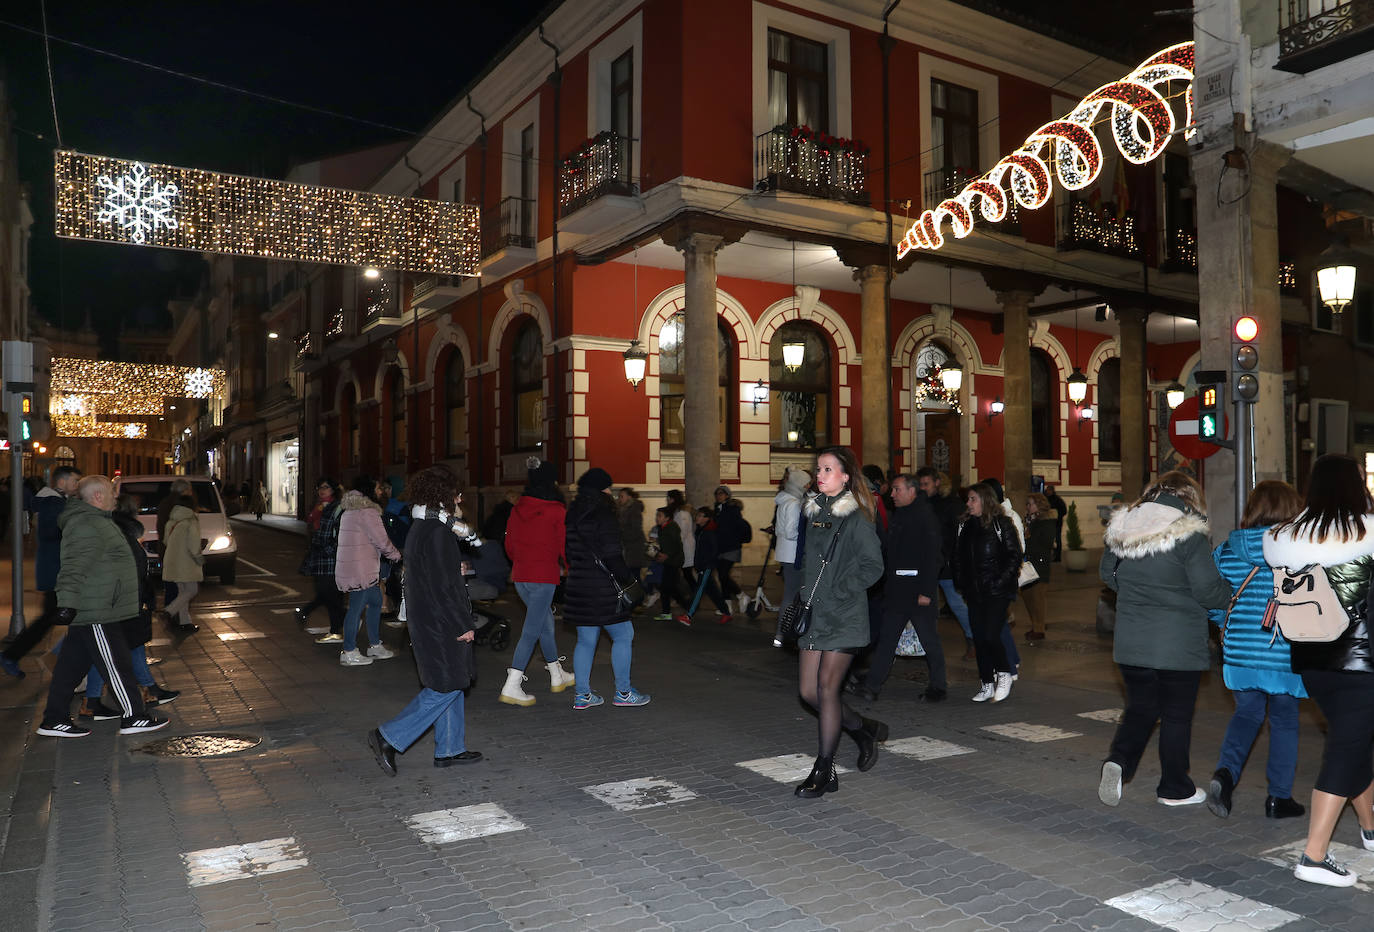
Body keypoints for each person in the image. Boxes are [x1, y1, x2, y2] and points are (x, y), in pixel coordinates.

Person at [1263, 454, 1374, 886]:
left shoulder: (1282, 537)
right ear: (1356, 484)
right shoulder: (1367, 530)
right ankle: (1313, 856)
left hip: (1311, 660)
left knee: (1356, 742)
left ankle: (1369, 829)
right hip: (1362, 662)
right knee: (1347, 748)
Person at [1098, 471, 1231, 808]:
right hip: (1178, 644)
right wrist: (1229, 595)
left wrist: (1133, 595)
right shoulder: (1189, 533)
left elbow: (1107, 574)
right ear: (1189, 497)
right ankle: (1174, 788)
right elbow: (1206, 589)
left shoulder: (1123, 526)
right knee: (1175, 716)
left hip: (1131, 641)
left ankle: (1118, 761)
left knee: (1141, 708)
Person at [368, 465, 482, 775]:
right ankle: (388, 736)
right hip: (440, 621)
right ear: (445, 496)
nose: (459, 498)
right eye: (456, 492)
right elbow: (444, 587)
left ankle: (449, 748)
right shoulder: (438, 532)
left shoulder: (423, 527)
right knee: (446, 685)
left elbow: (432, 575)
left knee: (452, 681)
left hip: (426, 617)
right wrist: (463, 625)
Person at [1205, 480, 1307, 821]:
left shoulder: (1227, 549)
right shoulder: (1303, 551)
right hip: (1285, 650)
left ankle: (1225, 775)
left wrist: (1223, 621)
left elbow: (1211, 596)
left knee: (1246, 715)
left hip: (1239, 652)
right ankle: (1279, 799)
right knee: (1284, 721)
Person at [36, 476, 168, 738]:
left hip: (99, 606)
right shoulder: (87, 524)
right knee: (117, 663)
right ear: (97, 497)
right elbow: (73, 567)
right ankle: (134, 716)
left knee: (70, 667)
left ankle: (54, 719)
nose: (114, 498)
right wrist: (67, 603)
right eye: (110, 493)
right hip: (96, 608)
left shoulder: (97, 521)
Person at [792, 446, 886, 799]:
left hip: (844, 615)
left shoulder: (857, 516)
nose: (820, 475)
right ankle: (862, 728)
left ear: (846, 476)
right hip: (815, 615)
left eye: (827, 469)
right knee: (807, 692)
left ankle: (824, 769)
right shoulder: (815, 511)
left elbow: (873, 566)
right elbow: (809, 565)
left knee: (827, 690)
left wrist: (840, 588)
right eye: (818, 469)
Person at [81, 494, 180, 717]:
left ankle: (97, 700)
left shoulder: (116, 531)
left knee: (121, 649)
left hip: (118, 602)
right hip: (119, 603)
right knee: (108, 654)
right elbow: (128, 571)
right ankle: (133, 711)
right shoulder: (119, 534)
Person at [853, 473, 944, 702]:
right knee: (887, 640)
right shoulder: (900, 515)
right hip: (897, 591)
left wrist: (925, 591)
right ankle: (872, 687)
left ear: (911, 491)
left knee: (928, 640)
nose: (892, 494)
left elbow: (933, 556)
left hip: (916, 592)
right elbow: (889, 549)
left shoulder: (925, 517)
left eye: (897, 490)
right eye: (892, 490)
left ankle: (938, 687)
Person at [565, 468, 650, 709]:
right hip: (603, 587)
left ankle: (583, 695)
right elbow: (612, 554)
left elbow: (569, 552)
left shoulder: (572, 513)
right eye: (608, 488)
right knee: (624, 636)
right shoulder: (604, 513)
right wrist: (630, 581)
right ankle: (623, 693)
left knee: (585, 640)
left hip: (579, 585)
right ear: (602, 489)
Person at [501, 459, 575, 705]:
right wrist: (571, 567)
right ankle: (512, 683)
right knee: (531, 630)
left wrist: (522, 560)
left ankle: (557, 675)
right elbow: (566, 546)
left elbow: (509, 546)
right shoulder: (557, 510)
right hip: (543, 577)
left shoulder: (517, 508)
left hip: (521, 576)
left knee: (545, 626)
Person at [1, 466, 82, 679]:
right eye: (75, 481)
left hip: (56, 570)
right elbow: (51, 534)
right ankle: (19, 656)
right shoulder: (53, 503)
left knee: (54, 619)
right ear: (62, 482)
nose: (77, 485)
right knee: (61, 618)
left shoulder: (55, 502)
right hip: (56, 571)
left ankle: (21, 656)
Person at [953, 483, 1023, 703]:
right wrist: (962, 583)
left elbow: (1014, 555)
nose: (968, 503)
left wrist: (1000, 582)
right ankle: (986, 683)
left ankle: (1004, 673)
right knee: (980, 637)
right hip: (974, 591)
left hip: (997, 590)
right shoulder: (965, 525)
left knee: (992, 633)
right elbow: (958, 557)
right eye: (968, 499)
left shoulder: (1002, 524)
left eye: (972, 499)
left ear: (985, 500)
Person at [334, 485, 401, 667]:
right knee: (356, 609)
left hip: (356, 566)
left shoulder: (348, 511)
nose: (381, 490)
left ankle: (375, 645)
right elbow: (381, 540)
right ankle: (349, 651)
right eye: (378, 487)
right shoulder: (367, 512)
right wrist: (396, 555)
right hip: (361, 569)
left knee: (376, 601)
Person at [917, 467, 976, 661]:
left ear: (937, 483)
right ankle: (926, 645)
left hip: (947, 563)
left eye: (926, 484)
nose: (923, 488)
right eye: (920, 484)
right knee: (927, 606)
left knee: (956, 603)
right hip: (926, 563)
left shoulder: (952, 504)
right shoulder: (921, 503)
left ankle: (973, 640)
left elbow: (960, 534)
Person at [300, 480, 346, 642]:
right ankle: (339, 625)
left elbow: (339, 532)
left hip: (330, 557)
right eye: (319, 487)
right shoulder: (319, 506)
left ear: (333, 489)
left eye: (326, 487)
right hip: (319, 555)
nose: (322, 490)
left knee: (328, 592)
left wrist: (328, 550)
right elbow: (310, 522)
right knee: (328, 592)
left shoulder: (337, 507)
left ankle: (338, 626)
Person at [771, 467, 811, 647]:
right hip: (793, 553)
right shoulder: (794, 503)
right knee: (791, 595)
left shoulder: (784, 501)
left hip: (784, 552)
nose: (809, 486)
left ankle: (782, 633)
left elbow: (779, 529)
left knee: (790, 593)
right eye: (807, 483)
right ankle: (783, 633)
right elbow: (790, 531)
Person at [161, 486, 205, 633]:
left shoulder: (172, 521)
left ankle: (185, 623)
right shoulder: (191, 521)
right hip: (187, 564)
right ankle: (169, 611)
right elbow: (194, 546)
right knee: (191, 591)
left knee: (182, 593)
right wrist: (200, 559)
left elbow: (166, 541)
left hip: (172, 562)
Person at [1021, 492, 1057, 641]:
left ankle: (1039, 629)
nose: (1028, 507)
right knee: (1027, 596)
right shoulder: (1029, 521)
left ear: (1039, 505)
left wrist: (1026, 544)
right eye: (1027, 504)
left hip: (1040, 564)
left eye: (1031, 504)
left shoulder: (1047, 522)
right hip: (1028, 564)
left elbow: (1046, 543)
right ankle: (1035, 625)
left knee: (1038, 598)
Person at [649, 507, 691, 621]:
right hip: (668, 561)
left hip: (673, 561)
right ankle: (687, 607)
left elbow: (677, 545)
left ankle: (670, 612)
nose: (657, 518)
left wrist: (667, 555)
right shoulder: (663, 528)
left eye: (660, 516)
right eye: (657, 515)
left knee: (666, 587)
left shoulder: (671, 528)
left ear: (667, 518)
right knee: (670, 588)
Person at [712, 486, 749, 614]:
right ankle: (726, 605)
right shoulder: (716, 510)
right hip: (719, 547)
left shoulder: (733, 509)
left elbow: (737, 526)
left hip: (731, 547)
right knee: (722, 577)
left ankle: (741, 595)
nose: (718, 495)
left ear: (727, 495)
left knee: (723, 574)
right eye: (717, 493)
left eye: (721, 493)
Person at [617, 487, 648, 587]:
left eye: (621, 496)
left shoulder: (634, 509)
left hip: (634, 548)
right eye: (619, 496)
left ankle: (643, 594)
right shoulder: (622, 509)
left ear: (629, 497)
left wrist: (622, 535)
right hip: (628, 547)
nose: (619, 499)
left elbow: (636, 530)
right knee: (632, 576)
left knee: (634, 575)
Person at [666, 489, 696, 587]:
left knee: (687, 574)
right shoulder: (676, 513)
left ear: (673, 499)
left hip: (684, 548)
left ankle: (696, 593)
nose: (667, 500)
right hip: (680, 548)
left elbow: (682, 533)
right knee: (684, 574)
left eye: (669, 498)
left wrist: (673, 547)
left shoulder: (682, 514)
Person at [1045, 484, 1068, 562]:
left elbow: (1064, 511)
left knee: (1058, 539)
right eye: (1047, 490)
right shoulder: (1044, 499)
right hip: (1047, 523)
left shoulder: (1058, 500)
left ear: (1052, 491)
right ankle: (1049, 555)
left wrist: (1057, 514)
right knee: (1048, 539)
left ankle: (1058, 557)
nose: (1048, 492)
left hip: (1057, 523)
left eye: (1049, 490)